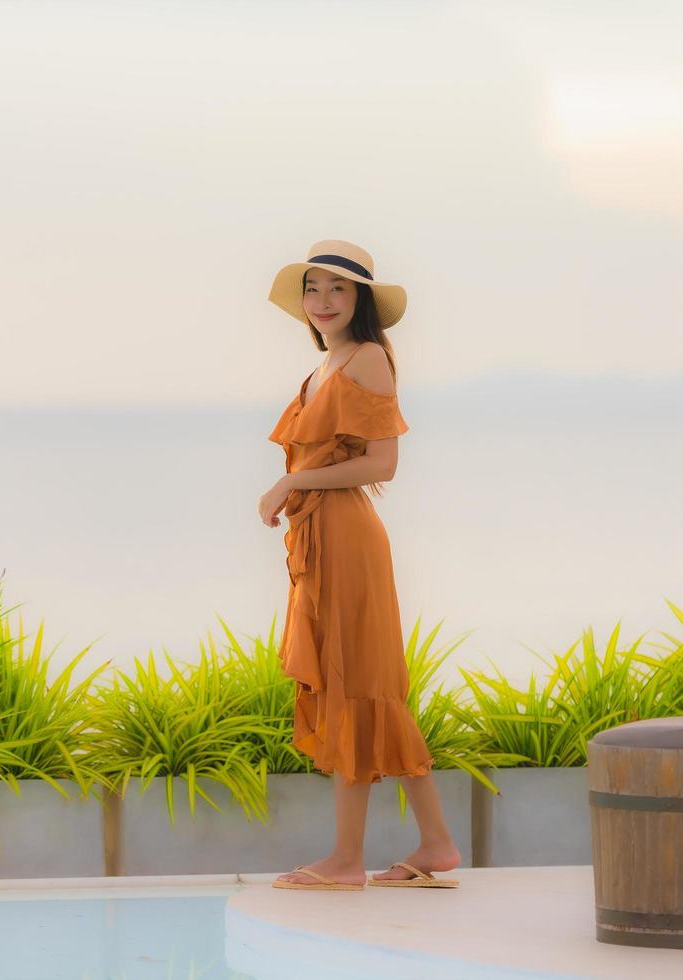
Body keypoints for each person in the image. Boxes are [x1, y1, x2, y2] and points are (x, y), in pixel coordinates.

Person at [257, 240, 461, 891]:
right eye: (313, 290)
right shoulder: (330, 362)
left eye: (337, 290)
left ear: (361, 300)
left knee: (354, 684)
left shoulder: (368, 357)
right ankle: (436, 844)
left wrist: (292, 485)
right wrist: (298, 491)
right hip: (324, 538)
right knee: (368, 684)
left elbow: (382, 464)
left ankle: (347, 861)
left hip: (345, 536)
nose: (322, 302)